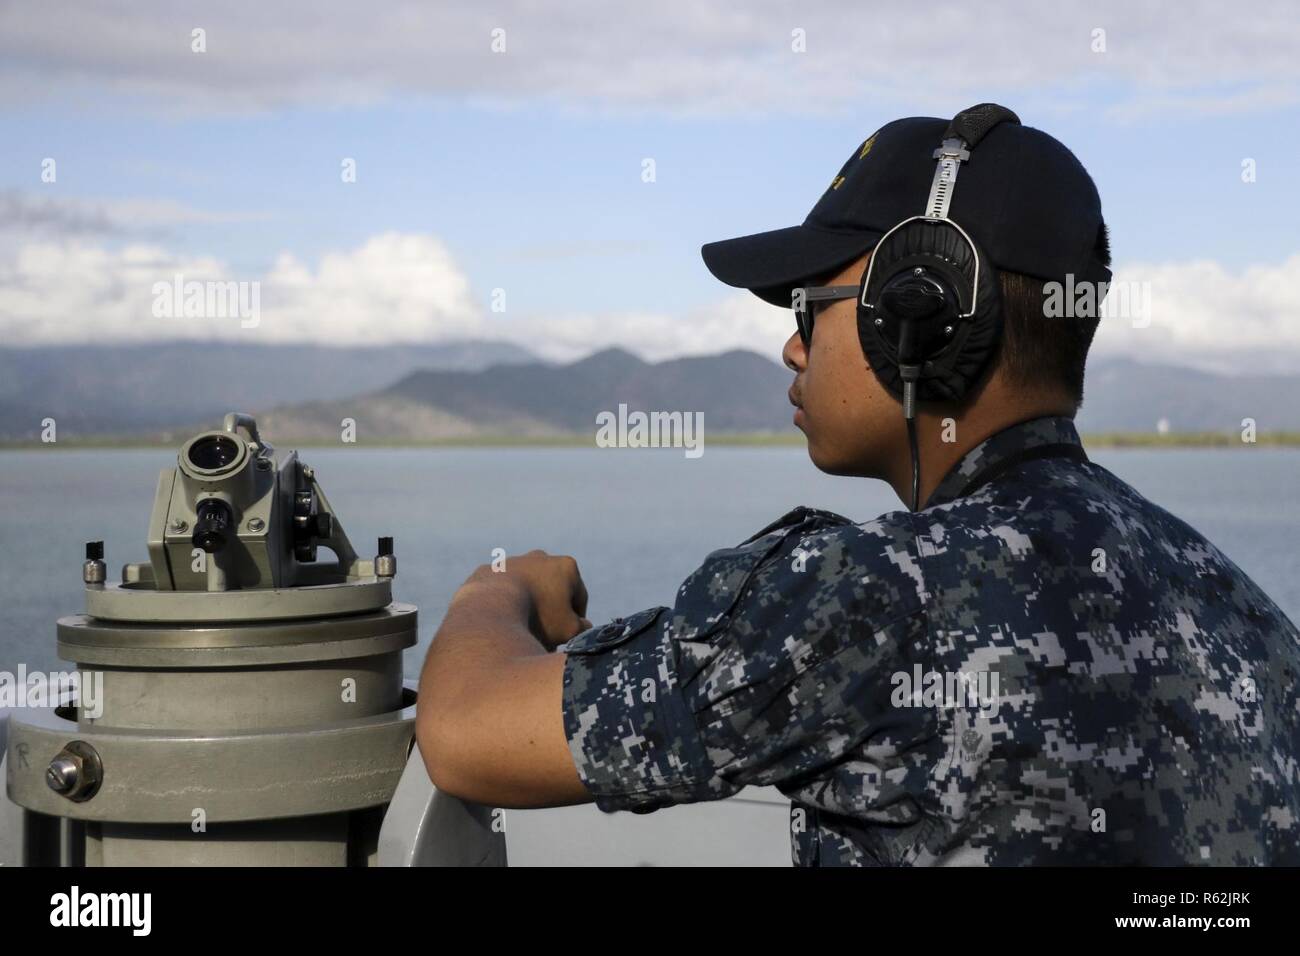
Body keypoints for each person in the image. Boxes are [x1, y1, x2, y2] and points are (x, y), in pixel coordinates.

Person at [415, 104, 1300, 865]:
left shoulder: (864, 600)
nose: (793, 347)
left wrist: (499, 591)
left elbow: (466, 737)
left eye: (808, 309)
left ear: (924, 313)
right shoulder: (1244, 608)